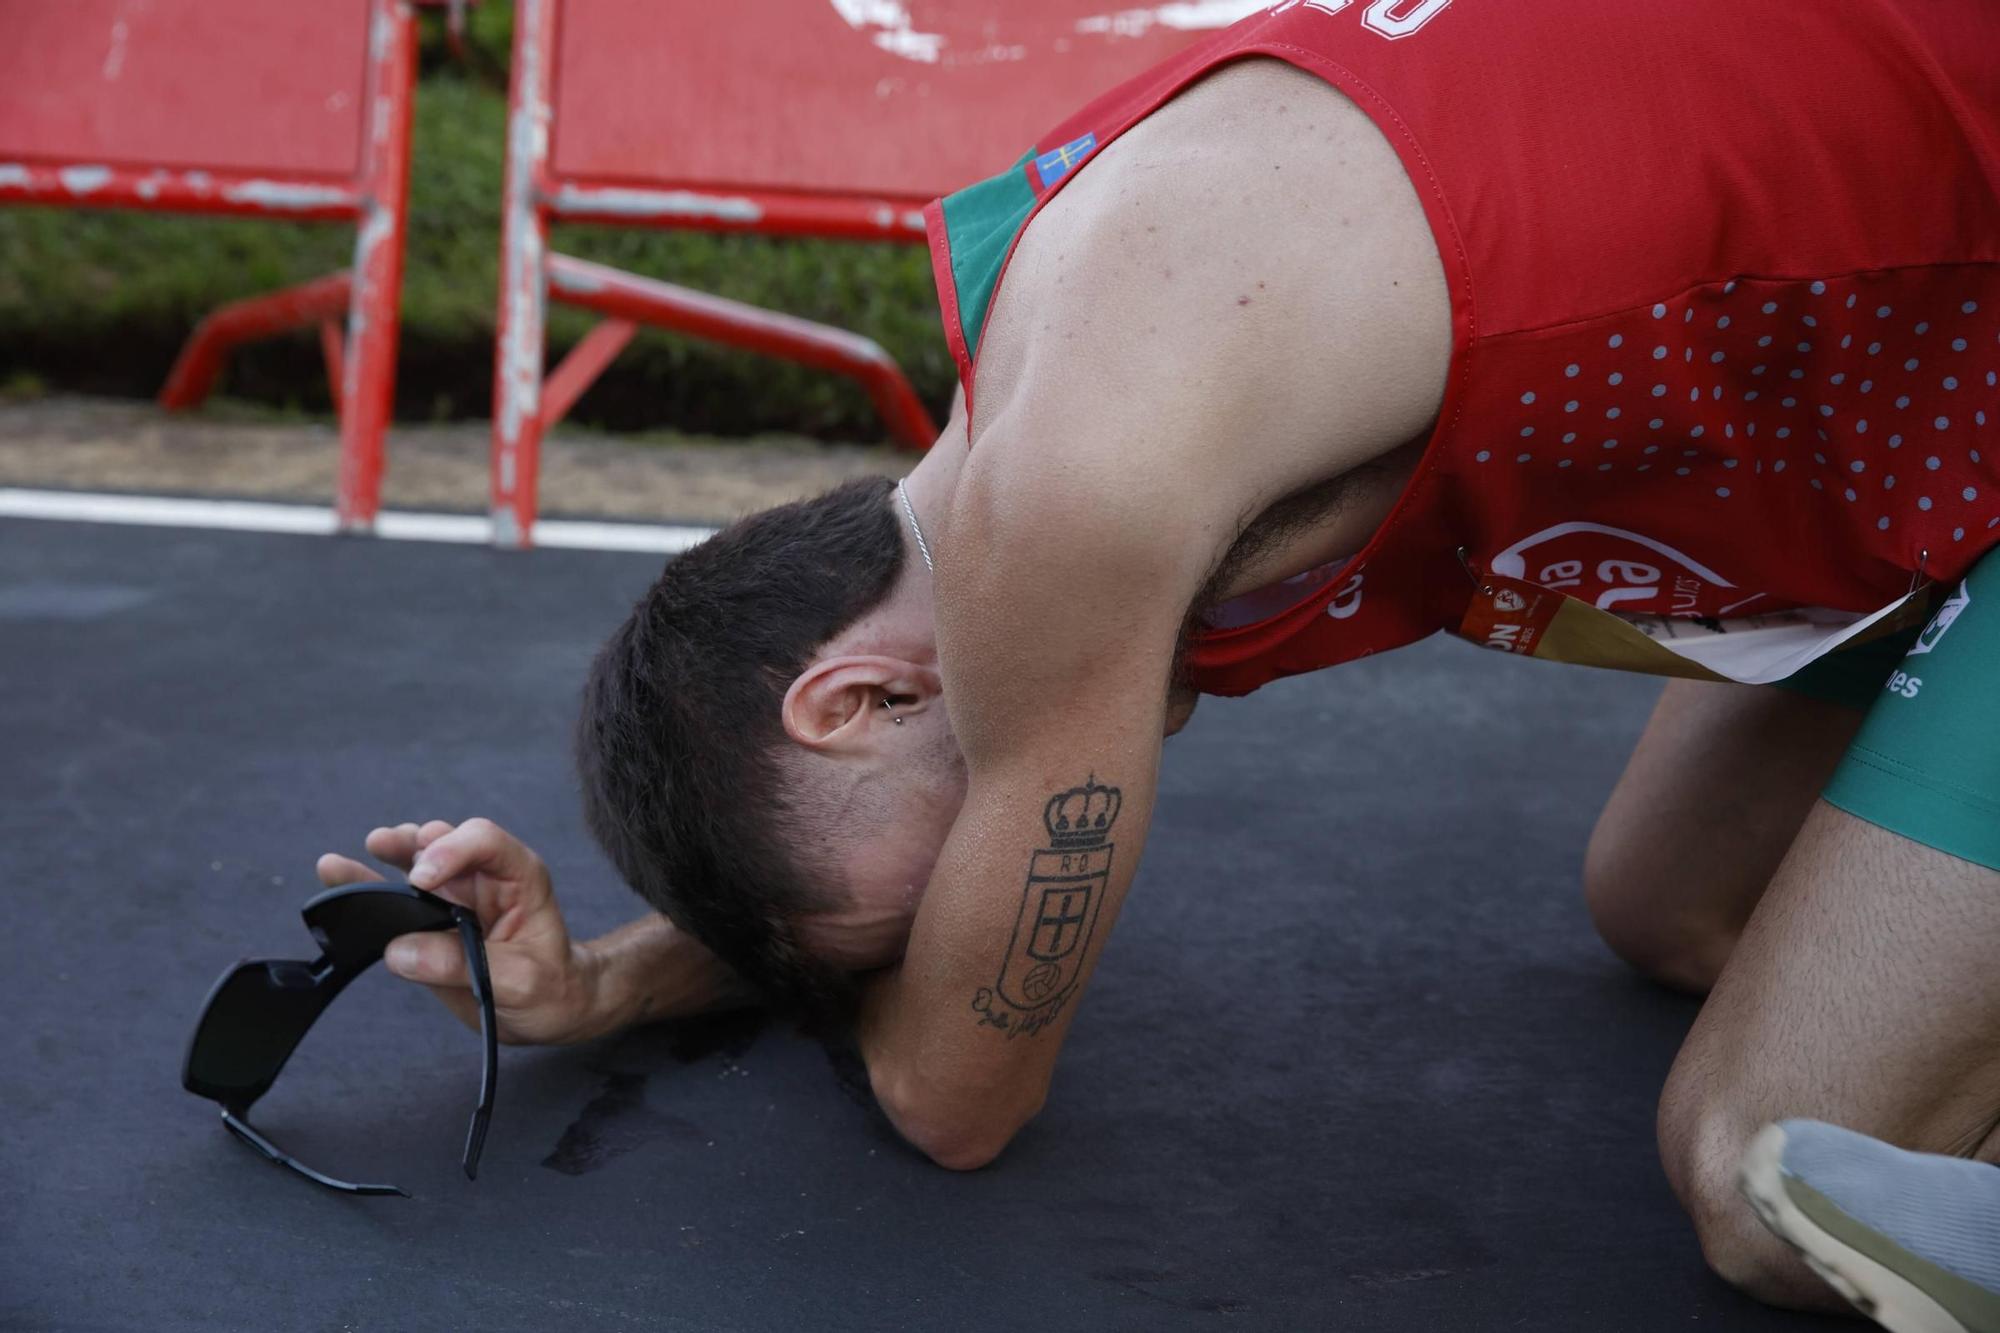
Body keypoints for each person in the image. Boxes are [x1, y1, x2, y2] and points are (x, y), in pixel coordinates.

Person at [316, 0, 2000, 1317]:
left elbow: (958, 1090)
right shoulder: (1046, 356)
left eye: (934, 904)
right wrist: (619, 978)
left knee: (1767, 1166)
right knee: (1670, 902)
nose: (962, 927)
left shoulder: (1072, 499)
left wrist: (911, 986)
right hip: (1934, 402)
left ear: (858, 697)